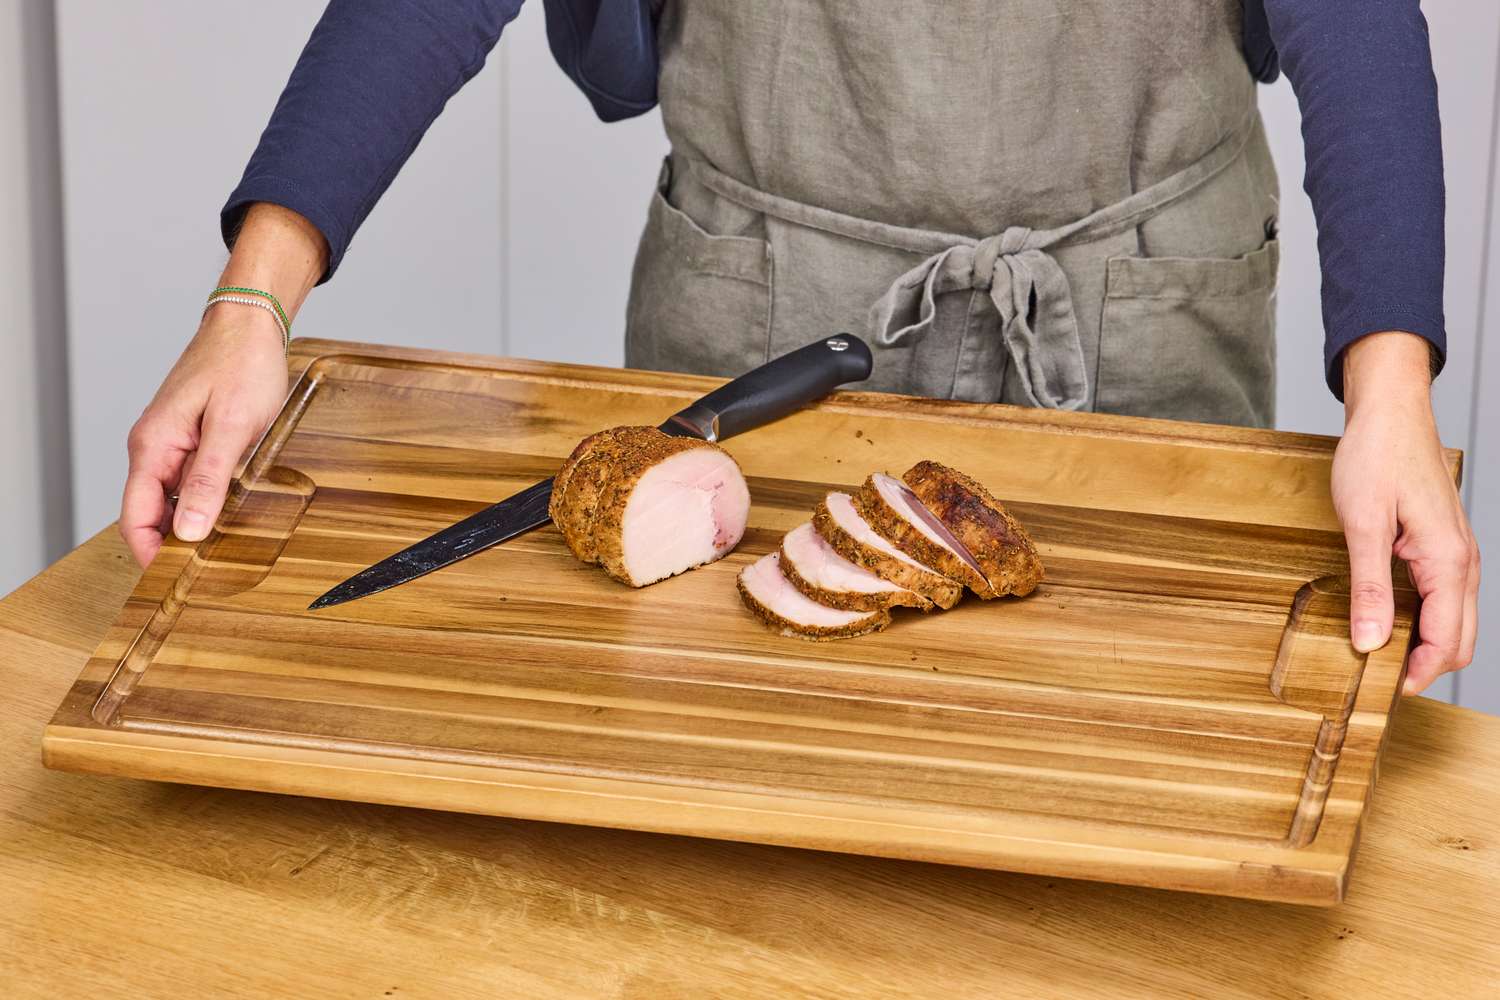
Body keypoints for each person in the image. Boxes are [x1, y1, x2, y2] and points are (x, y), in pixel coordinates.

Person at [119, 0, 1479, 694]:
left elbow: (1353, 14)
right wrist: (253, 301)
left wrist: (1391, 393)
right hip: (765, 318)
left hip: (1141, 320)